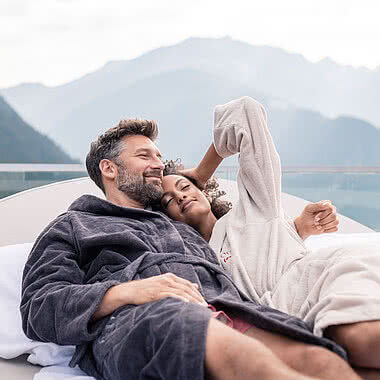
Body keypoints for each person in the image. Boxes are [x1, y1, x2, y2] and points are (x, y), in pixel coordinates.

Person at [20, 119, 361, 380]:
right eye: (144, 156)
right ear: (108, 168)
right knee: (233, 353)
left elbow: (248, 249)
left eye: (159, 156)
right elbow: (39, 307)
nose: (158, 164)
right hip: (141, 320)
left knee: (322, 361)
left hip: (229, 309)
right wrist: (126, 291)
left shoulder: (182, 226)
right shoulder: (73, 226)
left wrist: (296, 229)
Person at [161, 96, 380, 376]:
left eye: (184, 186)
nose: (179, 196)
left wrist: (201, 172)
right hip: (283, 319)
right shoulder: (192, 261)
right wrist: (297, 228)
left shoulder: (255, 207)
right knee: (350, 366)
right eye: (167, 200)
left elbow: (246, 112)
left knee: (357, 340)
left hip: (319, 279)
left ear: (204, 191)